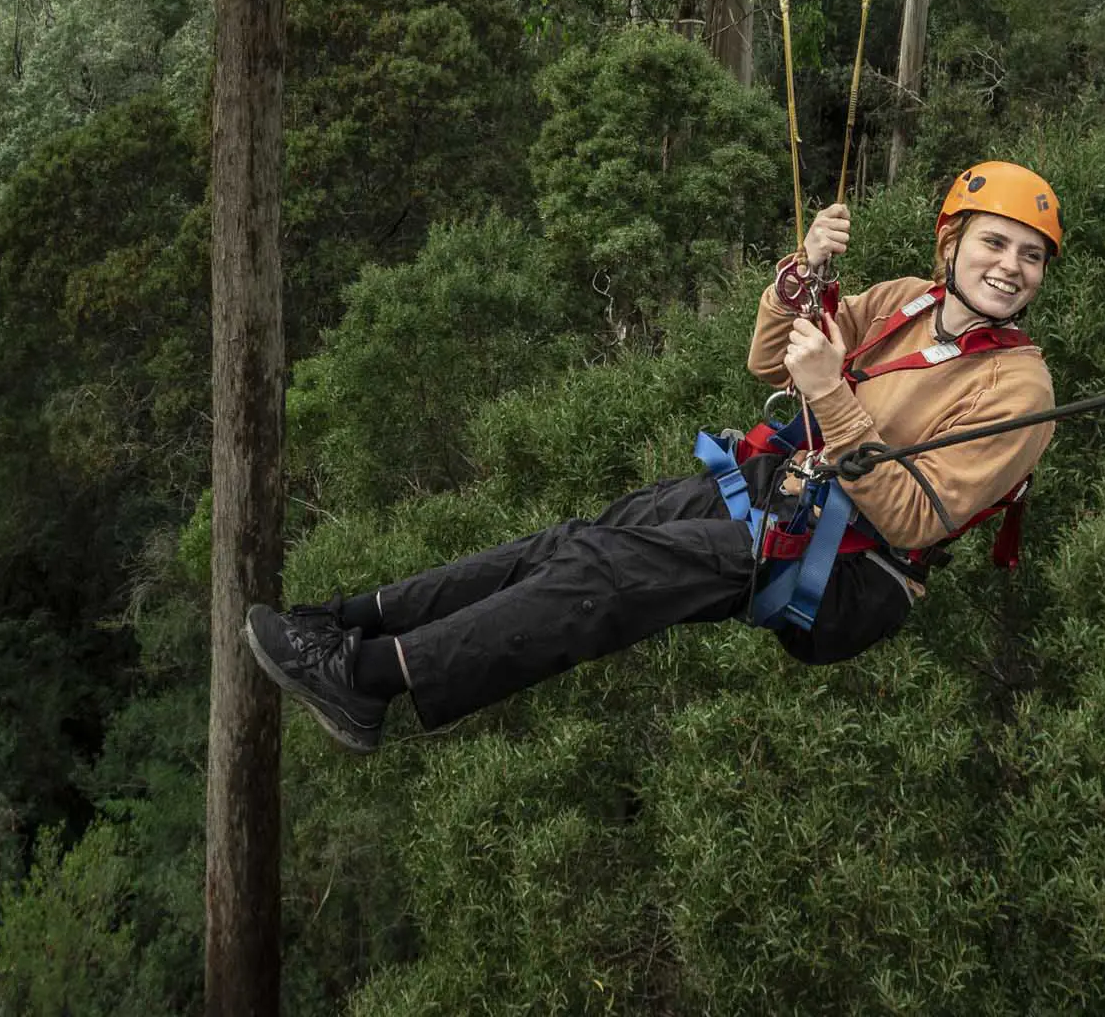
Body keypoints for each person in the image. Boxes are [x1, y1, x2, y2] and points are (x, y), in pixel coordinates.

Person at [246, 161, 1063, 752]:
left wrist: (831, 398)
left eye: (1029, 257)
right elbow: (772, 361)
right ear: (949, 243)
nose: (1009, 267)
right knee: (574, 542)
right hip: (783, 494)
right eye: (994, 243)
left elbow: (918, 514)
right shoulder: (900, 302)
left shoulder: (1018, 387)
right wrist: (802, 274)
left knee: (609, 574)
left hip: (854, 572)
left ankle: (369, 682)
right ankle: (340, 625)